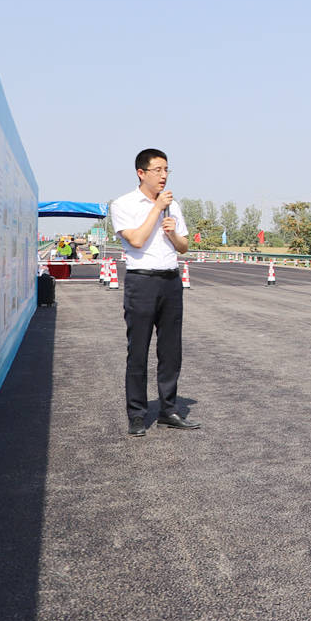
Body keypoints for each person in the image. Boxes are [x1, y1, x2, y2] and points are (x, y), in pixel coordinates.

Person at [111, 148, 199, 435]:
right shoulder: (124, 204)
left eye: (166, 170)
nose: (163, 176)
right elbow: (136, 239)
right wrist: (157, 209)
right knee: (138, 350)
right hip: (142, 282)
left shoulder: (174, 206)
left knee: (171, 351)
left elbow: (184, 246)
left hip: (171, 281)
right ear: (141, 173)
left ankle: (168, 410)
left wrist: (173, 232)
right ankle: (137, 414)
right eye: (158, 170)